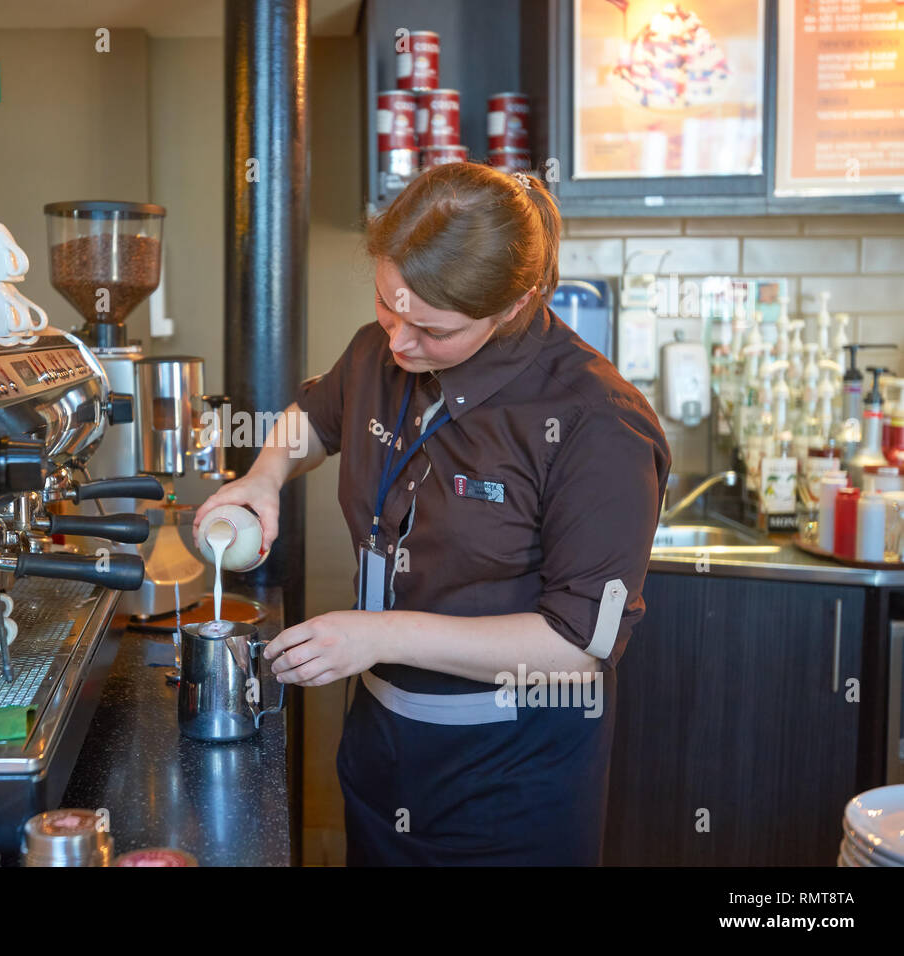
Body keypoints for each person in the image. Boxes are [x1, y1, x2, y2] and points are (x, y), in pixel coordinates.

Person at [194, 162, 671, 865]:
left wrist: (380, 634)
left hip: (509, 782)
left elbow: (575, 647)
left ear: (516, 304)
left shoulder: (597, 422)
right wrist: (265, 476)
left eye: (433, 329)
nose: (398, 343)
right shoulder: (376, 355)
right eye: (389, 305)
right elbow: (311, 420)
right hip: (381, 750)